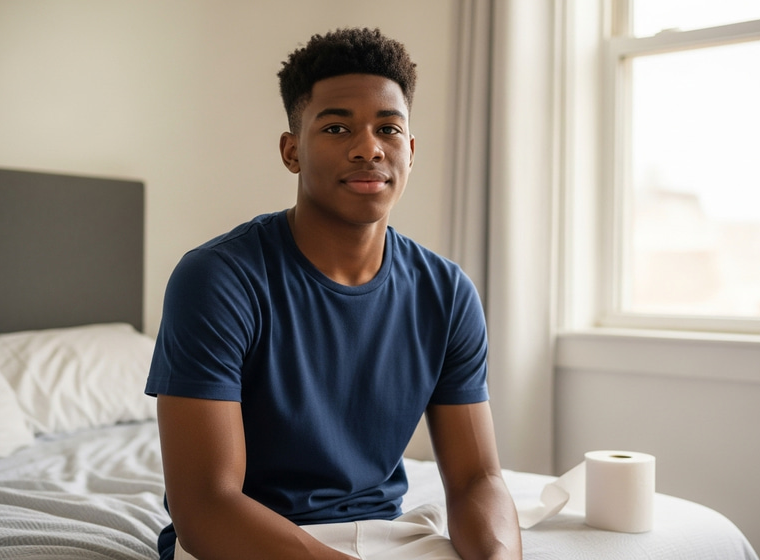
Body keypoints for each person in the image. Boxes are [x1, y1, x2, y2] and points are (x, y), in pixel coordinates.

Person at [145, 27, 522, 560]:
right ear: (291, 150)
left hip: (383, 536)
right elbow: (206, 505)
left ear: (410, 152)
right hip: (242, 544)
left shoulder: (448, 292)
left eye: (388, 129)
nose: (369, 148)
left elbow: (477, 479)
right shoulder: (217, 279)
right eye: (338, 127)